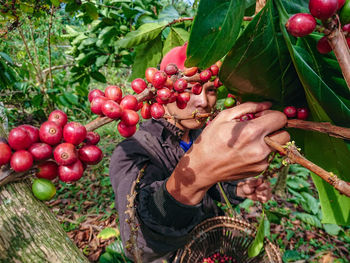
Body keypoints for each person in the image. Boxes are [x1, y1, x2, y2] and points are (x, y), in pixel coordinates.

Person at [109, 44, 290, 262]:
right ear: (163, 93)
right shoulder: (132, 151)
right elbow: (137, 242)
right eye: (188, 89)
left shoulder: (199, 133)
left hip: (210, 245)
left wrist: (239, 190)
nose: (203, 101)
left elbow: (213, 187)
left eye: (211, 90)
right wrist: (194, 177)